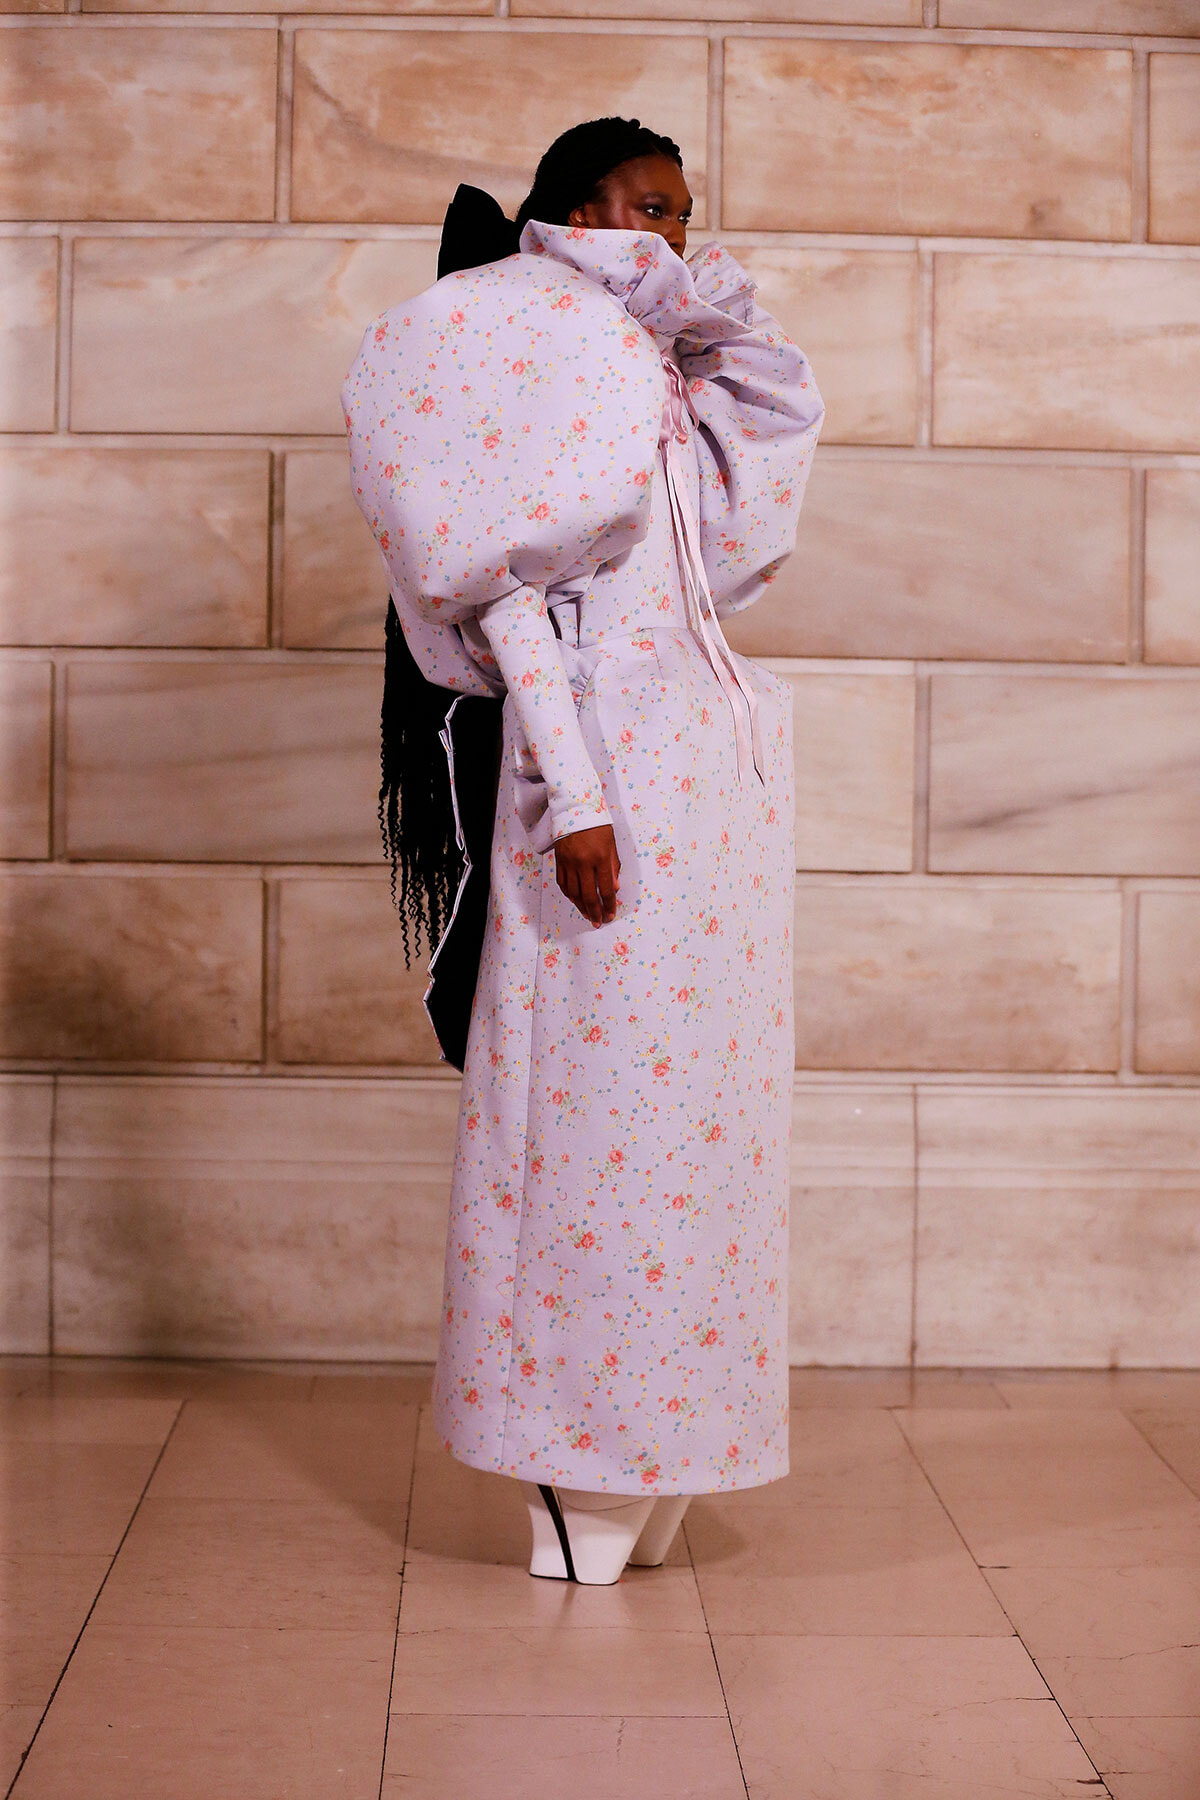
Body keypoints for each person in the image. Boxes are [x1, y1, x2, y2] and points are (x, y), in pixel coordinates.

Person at [341, 116, 824, 1585]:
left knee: (703, 1138)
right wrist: (579, 797)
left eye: (678, 213)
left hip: (707, 791)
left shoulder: (655, 368)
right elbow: (509, 607)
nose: (659, 238)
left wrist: (701, 339)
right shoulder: (516, 343)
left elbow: (718, 562)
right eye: (632, 209)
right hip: (603, 783)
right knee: (590, 1134)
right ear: (563, 213)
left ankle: (674, 1434)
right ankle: (573, 1444)